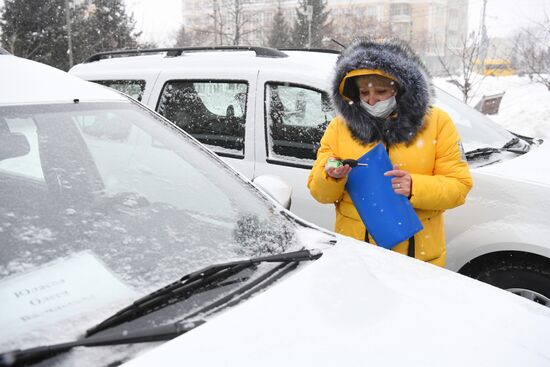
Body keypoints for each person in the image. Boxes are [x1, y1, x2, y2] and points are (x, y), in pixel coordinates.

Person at [307, 39, 473, 267]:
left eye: (381, 91)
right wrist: (330, 176)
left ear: (401, 88)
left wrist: (415, 187)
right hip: (357, 256)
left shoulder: (437, 123)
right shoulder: (340, 127)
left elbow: (459, 187)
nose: (371, 99)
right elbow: (320, 194)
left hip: (416, 258)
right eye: (364, 92)